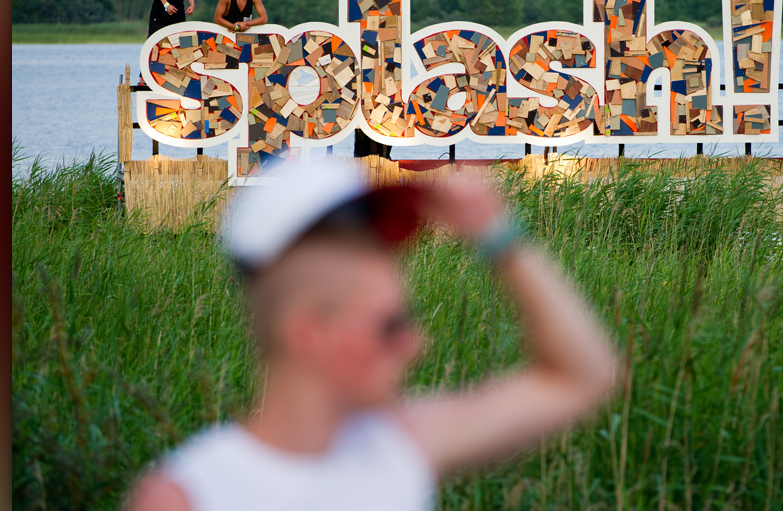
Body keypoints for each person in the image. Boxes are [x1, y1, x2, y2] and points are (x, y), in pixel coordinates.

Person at [124, 158, 617, 511]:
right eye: (391, 325)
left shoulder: (398, 446)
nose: (416, 344)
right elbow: (577, 379)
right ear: (308, 335)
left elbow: (582, 377)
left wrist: (497, 232)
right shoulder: (189, 497)